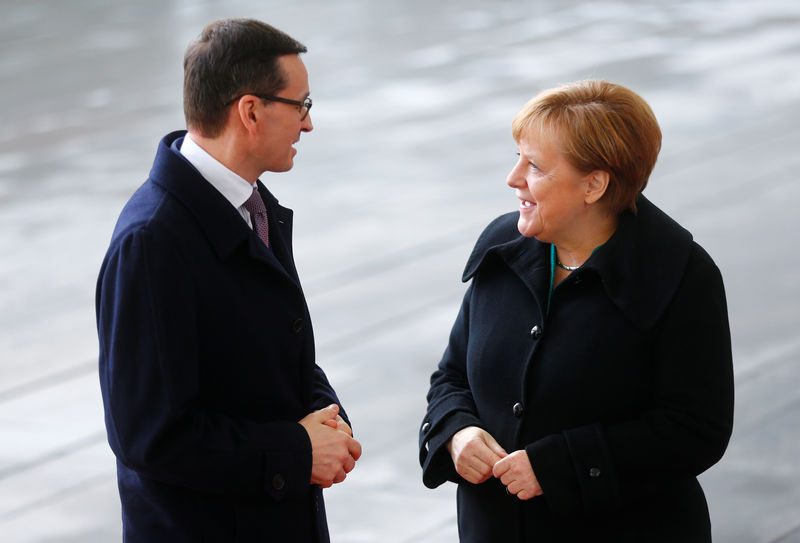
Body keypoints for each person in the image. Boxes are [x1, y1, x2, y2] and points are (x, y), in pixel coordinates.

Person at [419, 80, 734, 542]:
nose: (514, 178)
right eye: (517, 157)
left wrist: (560, 466)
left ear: (594, 184)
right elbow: (451, 376)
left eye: (535, 166)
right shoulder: (503, 248)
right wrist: (456, 433)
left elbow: (695, 429)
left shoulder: (681, 274)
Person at [96, 18, 361, 543]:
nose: (308, 124)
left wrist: (327, 418)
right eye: (302, 104)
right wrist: (298, 451)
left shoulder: (251, 206)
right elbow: (150, 437)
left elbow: (278, 353)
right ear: (251, 110)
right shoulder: (152, 241)